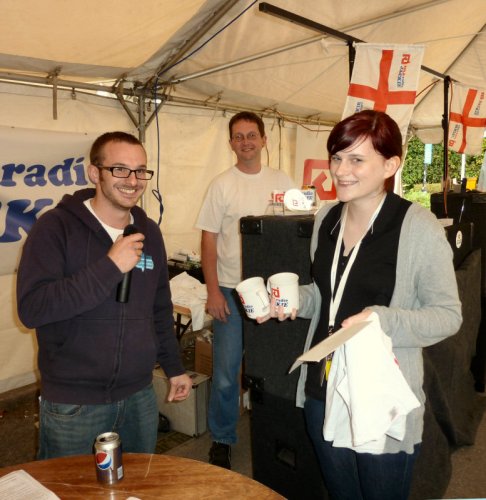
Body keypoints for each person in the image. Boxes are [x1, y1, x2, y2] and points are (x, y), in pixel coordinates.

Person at [259, 110, 462, 499]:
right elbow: (326, 295)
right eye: (337, 157)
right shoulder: (327, 218)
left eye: (356, 159)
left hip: (380, 395)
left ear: (390, 165)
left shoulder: (417, 228)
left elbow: (448, 316)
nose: (340, 170)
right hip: (322, 388)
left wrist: (381, 320)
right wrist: (292, 300)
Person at [16, 131, 192, 459]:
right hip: (75, 402)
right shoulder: (55, 228)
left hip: (139, 395)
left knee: (138, 483)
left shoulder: (149, 232)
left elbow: (159, 308)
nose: (133, 181)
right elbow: (33, 309)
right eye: (120, 169)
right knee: (70, 486)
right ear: (95, 173)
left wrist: (174, 366)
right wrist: (110, 267)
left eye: (141, 170)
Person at [196, 111, 295, 469]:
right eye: (238, 136)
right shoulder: (222, 185)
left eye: (252, 135)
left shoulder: (282, 181)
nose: (246, 142)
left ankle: (278, 430)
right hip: (230, 291)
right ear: (231, 143)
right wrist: (213, 292)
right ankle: (222, 438)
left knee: (277, 366)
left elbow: (295, 231)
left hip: (273, 292)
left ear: (264, 139)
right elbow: (208, 239)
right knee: (226, 372)